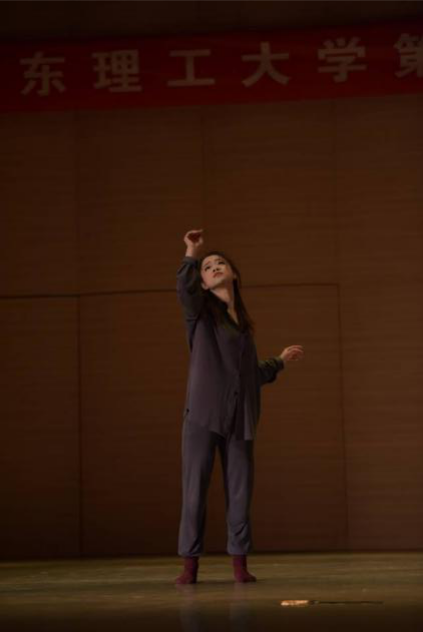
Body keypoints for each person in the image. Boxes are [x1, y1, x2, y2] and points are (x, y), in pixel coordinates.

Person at [175, 228, 304, 584]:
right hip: (203, 417)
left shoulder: (244, 328)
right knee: (194, 493)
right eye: (208, 267)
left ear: (233, 274)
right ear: (203, 284)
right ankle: (189, 567)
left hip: (240, 420)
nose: (214, 267)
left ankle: (239, 565)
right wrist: (191, 253)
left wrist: (279, 361)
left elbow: (248, 377)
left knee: (240, 493)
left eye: (220, 263)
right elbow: (184, 290)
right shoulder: (200, 316)